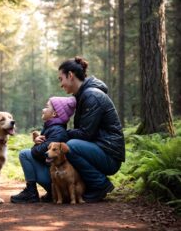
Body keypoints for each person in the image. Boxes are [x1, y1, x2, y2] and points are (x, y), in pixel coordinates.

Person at [56, 56, 125, 202]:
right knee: (70, 145)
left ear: (70, 75)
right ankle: (77, 188)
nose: (61, 84)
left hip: (109, 155)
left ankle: (100, 185)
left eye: (61, 79)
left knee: (71, 146)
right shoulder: (83, 95)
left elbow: (85, 134)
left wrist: (62, 134)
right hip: (100, 149)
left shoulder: (92, 95)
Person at [10, 96, 76, 203]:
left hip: (57, 177)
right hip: (55, 175)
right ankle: (48, 193)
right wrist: (37, 140)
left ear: (54, 114)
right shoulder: (53, 128)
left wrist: (36, 144)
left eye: (46, 107)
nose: (43, 109)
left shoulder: (57, 131)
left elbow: (38, 153)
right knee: (27, 153)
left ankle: (31, 192)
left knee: (24, 154)